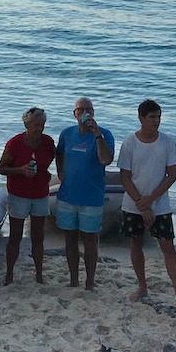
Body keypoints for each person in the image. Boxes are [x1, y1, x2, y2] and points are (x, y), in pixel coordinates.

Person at [118, 99, 176, 306]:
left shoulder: (167, 142)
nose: (156, 121)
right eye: (152, 117)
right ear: (141, 118)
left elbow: (171, 175)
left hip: (160, 205)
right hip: (133, 204)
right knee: (136, 244)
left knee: (168, 246)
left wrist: (150, 200)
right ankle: (142, 286)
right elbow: (125, 177)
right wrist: (141, 203)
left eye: (158, 117)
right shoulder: (130, 143)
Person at [54, 97, 115, 290]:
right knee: (70, 239)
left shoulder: (105, 134)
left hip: (91, 197)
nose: (85, 113)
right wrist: (60, 171)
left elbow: (106, 160)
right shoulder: (67, 133)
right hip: (68, 195)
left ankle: (89, 281)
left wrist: (97, 134)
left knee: (90, 241)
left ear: (94, 112)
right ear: (75, 114)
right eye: (81, 109)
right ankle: (74, 279)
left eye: (89, 109)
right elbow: (59, 153)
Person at [0, 107, 56, 286]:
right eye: (35, 125)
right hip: (19, 194)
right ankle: (9, 274)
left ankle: (39, 274)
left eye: (42, 124)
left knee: (38, 237)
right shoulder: (15, 143)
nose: (39, 128)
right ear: (26, 125)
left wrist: (47, 173)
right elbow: (1, 169)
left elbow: (53, 160)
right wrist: (20, 170)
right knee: (15, 236)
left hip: (40, 193)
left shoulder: (48, 142)